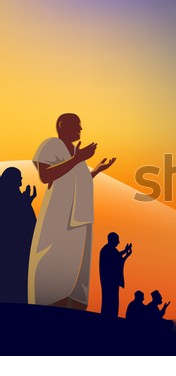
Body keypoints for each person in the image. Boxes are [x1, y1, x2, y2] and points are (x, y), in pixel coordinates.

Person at [28, 113, 116, 310]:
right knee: (54, 257)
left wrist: (97, 170)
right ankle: (49, 303)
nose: (81, 129)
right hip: (60, 213)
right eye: (77, 125)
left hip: (81, 217)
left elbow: (77, 180)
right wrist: (77, 159)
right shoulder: (52, 144)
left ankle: (73, 307)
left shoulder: (76, 155)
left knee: (78, 264)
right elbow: (46, 175)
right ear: (62, 125)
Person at [0, 167, 37, 303]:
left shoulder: (14, 194)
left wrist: (26, 200)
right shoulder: (7, 195)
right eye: (19, 177)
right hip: (11, 250)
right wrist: (25, 202)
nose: (21, 180)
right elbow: (11, 218)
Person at [99, 232, 132, 316]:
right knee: (109, 300)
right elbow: (115, 261)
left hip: (112, 281)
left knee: (113, 301)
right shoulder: (106, 250)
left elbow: (117, 258)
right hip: (109, 281)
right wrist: (125, 253)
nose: (118, 242)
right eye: (117, 240)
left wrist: (126, 253)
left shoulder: (110, 250)